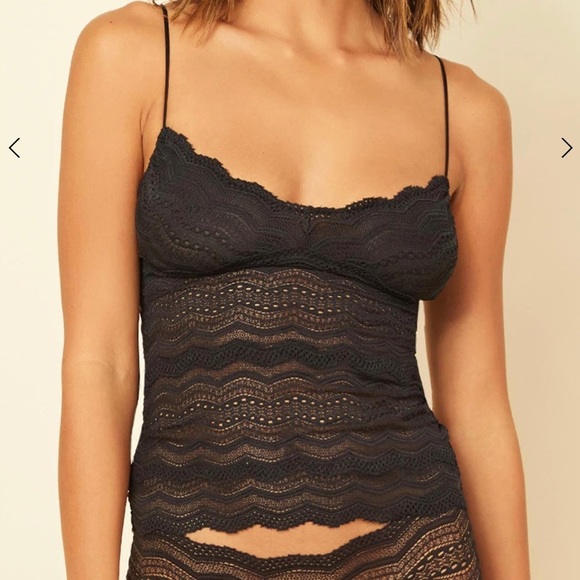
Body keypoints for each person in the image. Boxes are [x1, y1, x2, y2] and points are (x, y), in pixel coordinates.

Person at [58, 1, 531, 578]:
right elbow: (99, 366)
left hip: (417, 555)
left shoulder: (469, 111)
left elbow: (478, 409)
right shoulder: (132, 53)